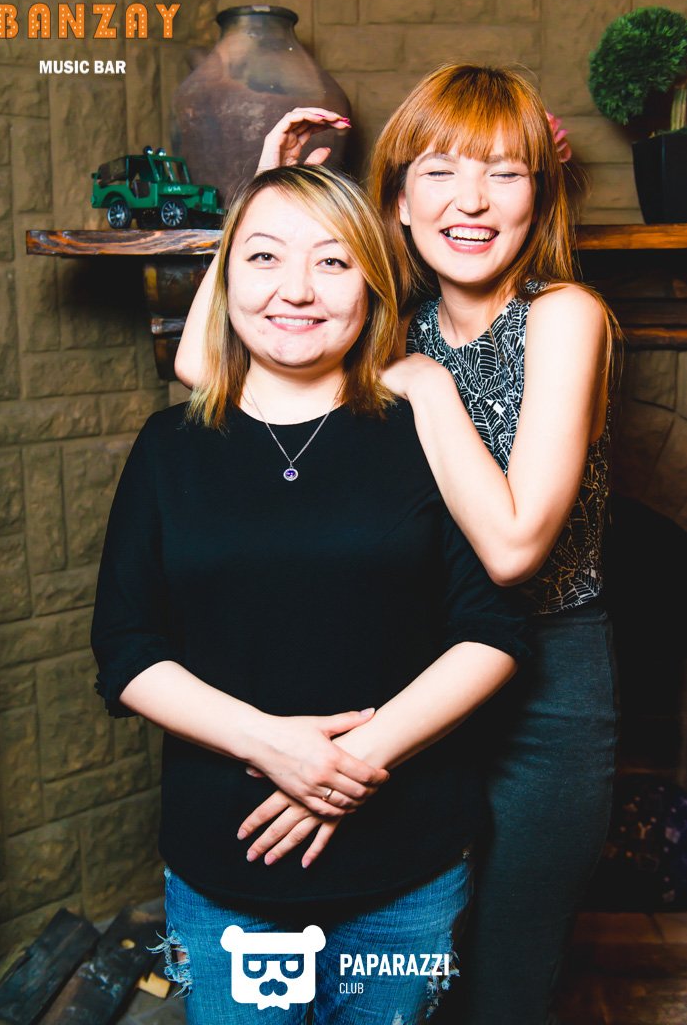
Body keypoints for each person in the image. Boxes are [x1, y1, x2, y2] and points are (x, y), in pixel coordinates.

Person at [174, 65, 620, 1025]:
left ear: (538, 197)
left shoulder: (561, 316)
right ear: (397, 205)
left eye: (504, 173)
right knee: (409, 956)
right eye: (441, 172)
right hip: (418, 676)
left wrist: (428, 387)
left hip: (548, 680)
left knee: (505, 972)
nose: (472, 200)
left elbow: (513, 551)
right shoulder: (393, 324)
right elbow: (201, 363)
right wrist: (265, 194)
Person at [91, 163, 528, 1025]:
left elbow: (492, 629)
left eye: (332, 262)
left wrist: (341, 768)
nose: (295, 289)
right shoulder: (168, 446)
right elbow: (127, 648)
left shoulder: (422, 428)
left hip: (406, 869)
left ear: (371, 285)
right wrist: (270, 745)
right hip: (225, 872)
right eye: (263, 257)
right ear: (226, 282)